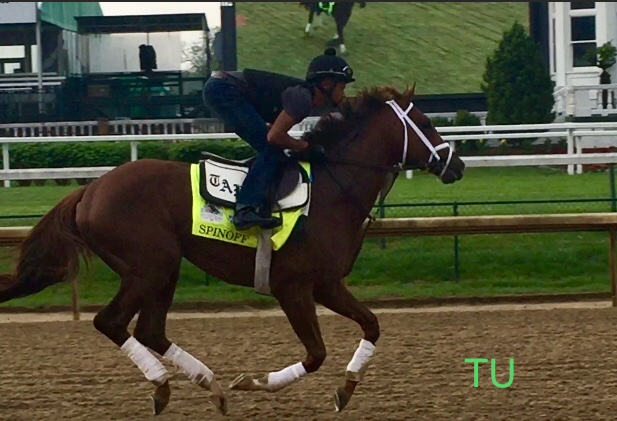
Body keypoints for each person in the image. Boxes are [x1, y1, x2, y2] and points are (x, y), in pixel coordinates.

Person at [202, 47, 355, 231]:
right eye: (342, 87)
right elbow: (275, 137)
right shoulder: (303, 100)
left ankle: (259, 202)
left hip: (222, 86)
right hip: (223, 89)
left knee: (273, 151)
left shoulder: (302, 97)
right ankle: (245, 210)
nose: (344, 93)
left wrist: (293, 146)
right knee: (271, 149)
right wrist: (305, 146)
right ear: (327, 84)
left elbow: (273, 131)